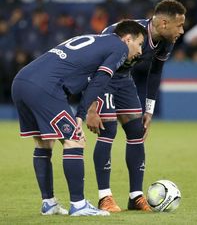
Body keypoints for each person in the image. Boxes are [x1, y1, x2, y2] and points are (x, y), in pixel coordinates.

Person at [11, 20, 145, 216]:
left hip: (22, 81)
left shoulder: (95, 40)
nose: (140, 51)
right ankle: (79, 204)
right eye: (139, 44)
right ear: (127, 39)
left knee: (44, 143)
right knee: (75, 141)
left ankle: (49, 203)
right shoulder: (119, 47)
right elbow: (99, 81)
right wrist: (81, 115)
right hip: (45, 87)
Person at [86, 0, 186, 212]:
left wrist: (149, 109)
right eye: (179, 25)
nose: (182, 31)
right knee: (108, 129)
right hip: (104, 79)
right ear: (164, 23)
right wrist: (92, 104)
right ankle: (105, 197)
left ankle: (136, 196)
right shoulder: (122, 33)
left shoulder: (167, 40)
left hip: (124, 80)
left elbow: (156, 72)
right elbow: (92, 63)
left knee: (136, 132)